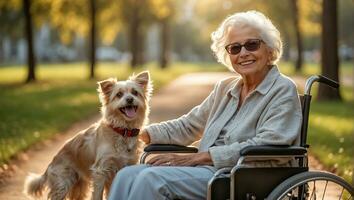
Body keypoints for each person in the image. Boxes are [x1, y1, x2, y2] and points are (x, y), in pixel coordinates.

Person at [108, 10, 302, 200]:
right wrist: (139, 133)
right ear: (229, 56)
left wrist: (198, 158)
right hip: (209, 172)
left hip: (243, 177)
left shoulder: (282, 89)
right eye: (235, 48)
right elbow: (189, 125)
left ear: (269, 50)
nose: (243, 53)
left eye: (252, 45)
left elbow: (268, 144)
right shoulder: (225, 88)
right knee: (126, 175)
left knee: (151, 179)